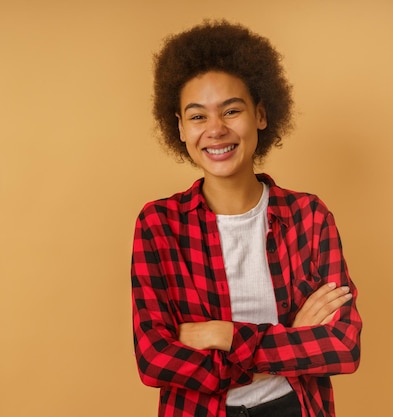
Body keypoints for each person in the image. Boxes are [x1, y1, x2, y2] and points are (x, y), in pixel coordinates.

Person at [131, 20, 362, 417]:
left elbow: (343, 346)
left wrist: (223, 334)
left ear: (260, 114)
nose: (216, 130)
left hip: (294, 407)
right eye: (198, 116)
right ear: (181, 128)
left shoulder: (310, 216)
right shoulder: (159, 224)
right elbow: (154, 358)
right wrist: (289, 340)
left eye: (231, 110)